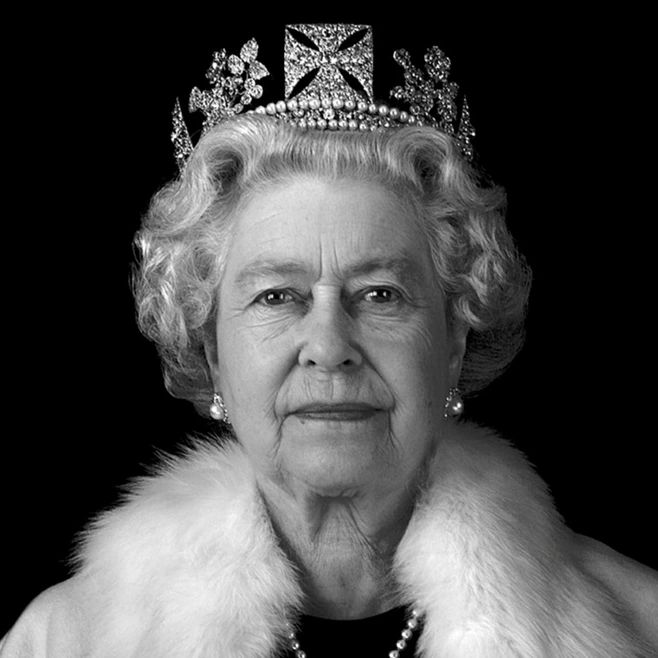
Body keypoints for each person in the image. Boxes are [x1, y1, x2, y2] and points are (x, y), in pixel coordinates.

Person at [2, 24, 657, 657]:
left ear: (455, 339)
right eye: (276, 296)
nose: (328, 346)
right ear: (212, 353)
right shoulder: (63, 642)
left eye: (380, 294)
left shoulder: (641, 622)